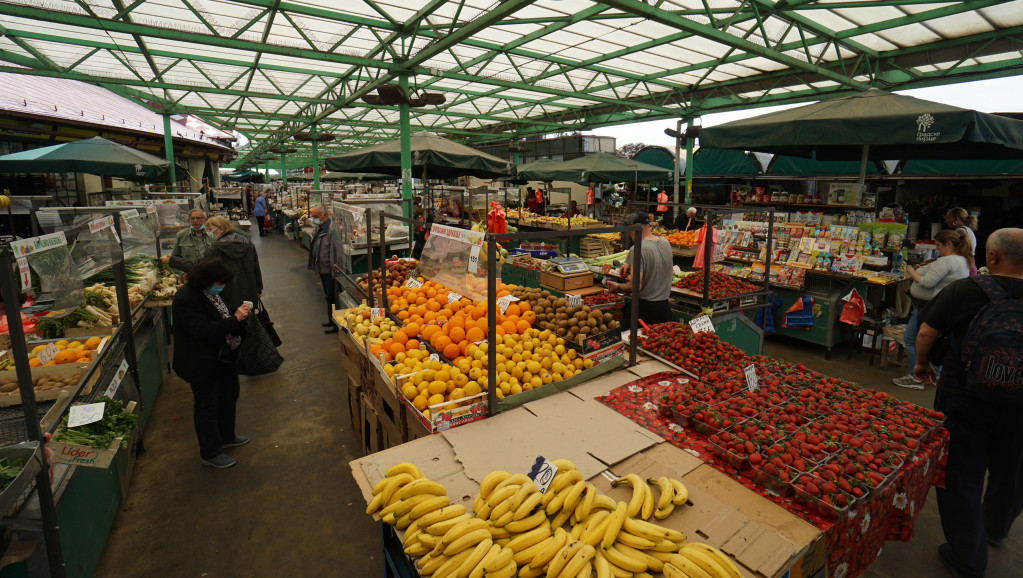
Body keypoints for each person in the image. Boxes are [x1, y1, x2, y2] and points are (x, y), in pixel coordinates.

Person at [913, 228, 1023, 578]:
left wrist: (922, 364)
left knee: (960, 473)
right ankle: (996, 527)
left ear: (991, 258)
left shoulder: (966, 291)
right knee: (1013, 468)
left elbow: (926, 331)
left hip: (965, 394)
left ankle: (967, 556)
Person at [172, 257, 251, 469]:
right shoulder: (185, 298)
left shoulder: (210, 292)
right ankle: (210, 452)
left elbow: (220, 312)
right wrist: (234, 319)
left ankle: (226, 435)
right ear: (205, 279)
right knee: (207, 405)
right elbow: (202, 330)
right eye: (219, 283)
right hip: (201, 362)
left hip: (222, 357)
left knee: (229, 395)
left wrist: (238, 312)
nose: (221, 287)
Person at [892, 229, 972, 390]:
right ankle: (935, 373)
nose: (937, 249)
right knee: (936, 340)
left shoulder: (947, 261)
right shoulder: (963, 260)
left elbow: (927, 282)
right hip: (940, 306)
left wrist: (911, 271)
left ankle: (917, 378)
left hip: (926, 307)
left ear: (948, 244)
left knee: (911, 339)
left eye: (938, 245)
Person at [607, 210, 674, 328]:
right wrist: (630, 261)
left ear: (640, 227)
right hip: (664, 309)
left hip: (644, 311)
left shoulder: (638, 249)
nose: (627, 233)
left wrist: (618, 287)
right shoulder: (665, 242)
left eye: (629, 229)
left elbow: (635, 286)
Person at [205, 216, 264, 311]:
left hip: (228, 293)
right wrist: (258, 288)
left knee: (232, 319)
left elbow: (202, 265)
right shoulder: (248, 243)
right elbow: (256, 267)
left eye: (210, 229)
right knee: (249, 319)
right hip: (248, 291)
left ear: (221, 229)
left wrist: (174, 261)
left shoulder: (216, 247)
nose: (208, 232)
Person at [307, 205, 338, 334]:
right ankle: (331, 319)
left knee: (332, 296)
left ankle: (336, 323)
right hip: (322, 268)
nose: (313, 219)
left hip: (328, 269)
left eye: (315, 216)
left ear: (324, 216)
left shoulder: (331, 229)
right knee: (327, 296)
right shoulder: (321, 227)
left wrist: (333, 269)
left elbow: (334, 250)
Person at [163, 209, 214, 273]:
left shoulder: (212, 235)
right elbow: (174, 259)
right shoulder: (181, 235)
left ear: (204, 220)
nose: (195, 221)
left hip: (209, 273)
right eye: (192, 218)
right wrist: (182, 274)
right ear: (189, 220)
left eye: (198, 218)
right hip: (189, 274)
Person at [945, 207, 980, 275]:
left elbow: (967, 241)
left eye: (948, 218)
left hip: (966, 266)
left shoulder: (960, 230)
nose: (947, 220)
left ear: (956, 219)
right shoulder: (967, 229)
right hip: (970, 264)